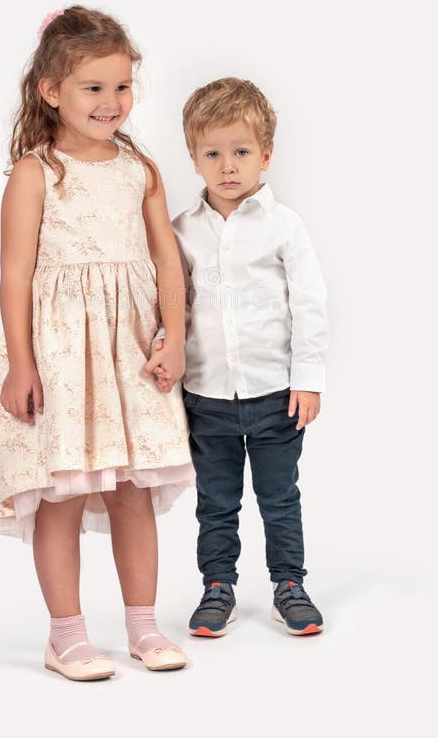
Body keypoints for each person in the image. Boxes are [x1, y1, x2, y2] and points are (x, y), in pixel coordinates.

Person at [0, 5, 195, 681]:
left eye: (121, 87)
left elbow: (166, 259)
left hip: (129, 352)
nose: (111, 102)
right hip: (62, 356)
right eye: (93, 88)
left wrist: (174, 337)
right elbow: (14, 272)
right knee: (63, 494)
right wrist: (21, 362)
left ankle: (142, 626)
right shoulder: (35, 172)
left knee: (133, 490)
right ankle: (66, 636)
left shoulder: (140, 167)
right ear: (51, 90)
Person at [149, 78, 329, 638]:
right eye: (213, 153)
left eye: (242, 151)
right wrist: (162, 346)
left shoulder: (284, 227)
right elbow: (170, 302)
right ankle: (217, 586)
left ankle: (289, 585)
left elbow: (310, 305)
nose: (228, 166)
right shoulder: (181, 232)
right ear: (194, 159)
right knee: (216, 502)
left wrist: (309, 380)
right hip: (206, 398)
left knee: (279, 497)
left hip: (276, 394)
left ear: (266, 155)